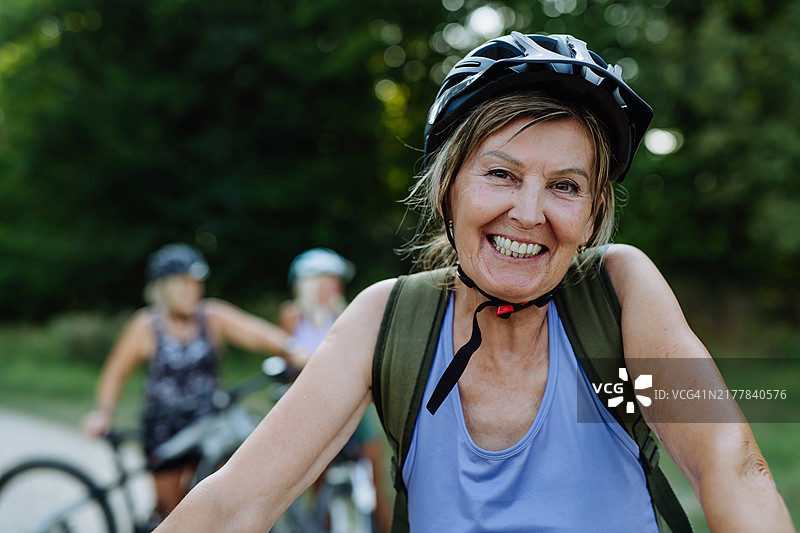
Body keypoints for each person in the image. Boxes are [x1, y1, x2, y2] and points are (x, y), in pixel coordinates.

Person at [155, 32, 794, 532]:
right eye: (502, 174)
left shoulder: (615, 301)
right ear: (448, 187)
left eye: (567, 186)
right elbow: (234, 506)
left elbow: (725, 461)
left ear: (593, 213)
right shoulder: (391, 323)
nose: (529, 211)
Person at [82, 243, 307, 522]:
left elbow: (255, 333)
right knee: (172, 512)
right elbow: (115, 372)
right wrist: (104, 412)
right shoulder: (146, 325)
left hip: (210, 421)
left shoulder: (211, 317)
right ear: (162, 288)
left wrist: (292, 348)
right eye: (182, 285)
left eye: (196, 284)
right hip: (166, 428)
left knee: (224, 500)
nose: (192, 291)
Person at [278, 248, 391, 533]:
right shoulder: (292, 315)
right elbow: (288, 355)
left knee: (373, 477)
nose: (335, 287)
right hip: (312, 409)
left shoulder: (344, 313)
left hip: (349, 404)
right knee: (318, 481)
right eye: (328, 280)